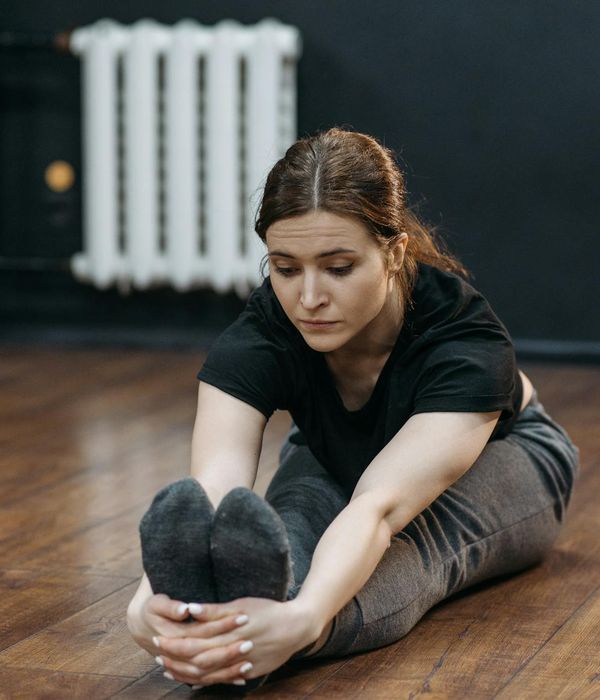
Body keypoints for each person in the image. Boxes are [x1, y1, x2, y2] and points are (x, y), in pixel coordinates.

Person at [126, 127, 580, 692]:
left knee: (415, 547)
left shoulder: (466, 342)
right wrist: (147, 607)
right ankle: (237, 623)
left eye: (338, 268)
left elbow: (380, 508)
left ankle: (273, 643)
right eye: (286, 269)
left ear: (392, 253)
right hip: (332, 446)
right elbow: (211, 491)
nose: (308, 298)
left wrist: (304, 621)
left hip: (506, 451)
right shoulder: (265, 330)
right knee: (278, 527)